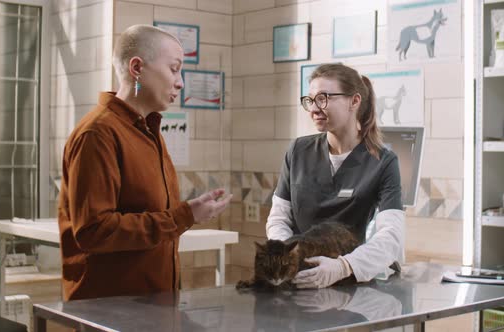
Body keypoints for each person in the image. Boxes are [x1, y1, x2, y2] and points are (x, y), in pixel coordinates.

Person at [57, 25, 232, 301]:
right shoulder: (98, 134)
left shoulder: (149, 130)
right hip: (111, 310)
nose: (181, 82)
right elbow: (94, 231)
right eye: (174, 69)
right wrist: (184, 216)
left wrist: (189, 212)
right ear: (137, 68)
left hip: (154, 305)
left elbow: (154, 219)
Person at [266, 63, 405, 289]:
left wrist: (343, 267)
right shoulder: (298, 151)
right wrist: (288, 256)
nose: (314, 108)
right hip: (298, 278)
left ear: (354, 101)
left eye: (324, 98)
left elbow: (391, 236)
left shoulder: (383, 162)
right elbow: (279, 218)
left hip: (349, 282)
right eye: (310, 100)